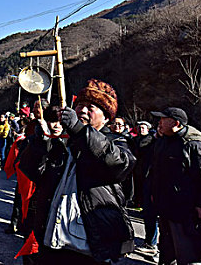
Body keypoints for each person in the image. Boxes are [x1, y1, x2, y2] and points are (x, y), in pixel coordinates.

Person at [25, 79, 135, 263]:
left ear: (106, 117)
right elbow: (34, 172)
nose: (83, 110)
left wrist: (80, 130)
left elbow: (118, 164)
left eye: (91, 107)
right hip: (52, 236)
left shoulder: (117, 142)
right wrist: (40, 142)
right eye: (80, 105)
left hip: (89, 243)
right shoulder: (63, 141)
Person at [151, 107, 201, 264]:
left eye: (163, 119)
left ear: (176, 123)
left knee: (188, 255)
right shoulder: (162, 142)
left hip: (185, 212)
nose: (159, 122)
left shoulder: (193, 145)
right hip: (164, 207)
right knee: (166, 253)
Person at [17, 106, 67, 263]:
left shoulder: (72, 145)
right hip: (38, 205)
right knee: (32, 251)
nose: (57, 125)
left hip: (61, 209)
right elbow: (29, 169)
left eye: (61, 121)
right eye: (53, 121)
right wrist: (42, 141)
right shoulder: (35, 140)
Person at [132, 120, 158, 257]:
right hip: (142, 176)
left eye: (144, 127)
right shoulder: (138, 140)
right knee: (148, 213)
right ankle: (150, 242)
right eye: (139, 127)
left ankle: (152, 244)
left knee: (153, 214)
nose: (141, 129)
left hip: (154, 181)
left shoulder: (153, 141)